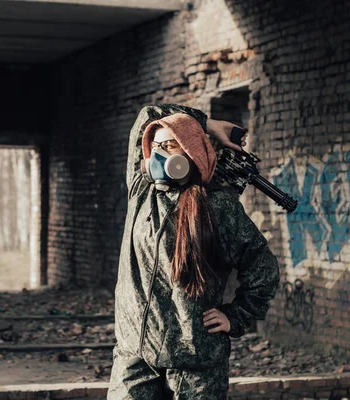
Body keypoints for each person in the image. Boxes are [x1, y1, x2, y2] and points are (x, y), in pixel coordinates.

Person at [107, 104, 280, 400]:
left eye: (171, 145)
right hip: (135, 359)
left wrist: (236, 316)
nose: (159, 154)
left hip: (195, 363)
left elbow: (262, 267)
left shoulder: (219, 207)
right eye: (156, 146)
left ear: (191, 152)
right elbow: (148, 114)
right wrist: (209, 123)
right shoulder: (141, 193)